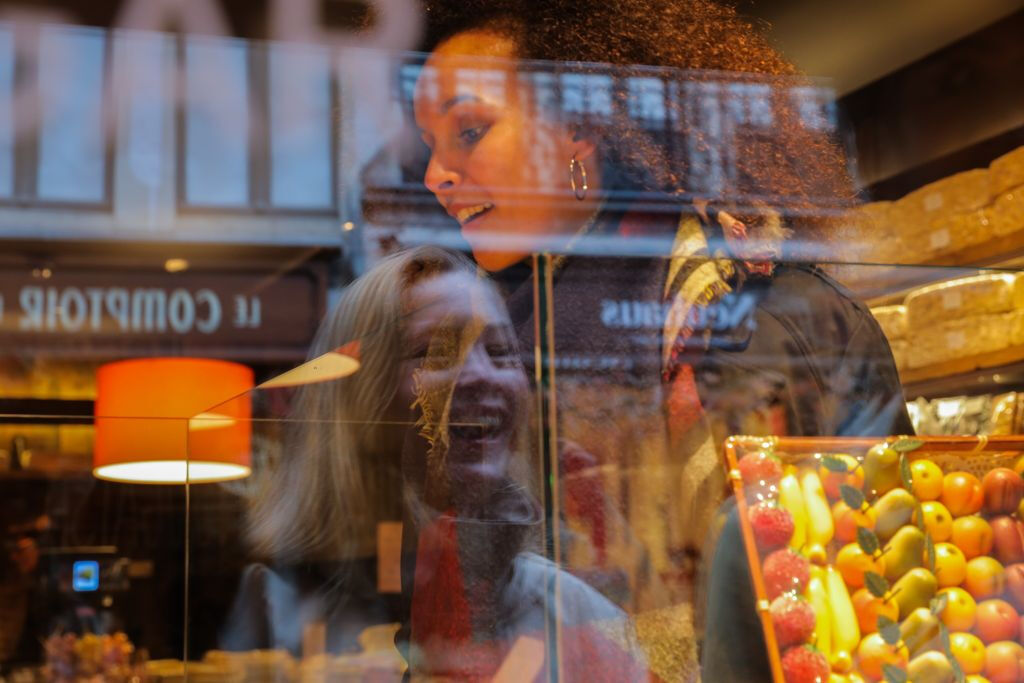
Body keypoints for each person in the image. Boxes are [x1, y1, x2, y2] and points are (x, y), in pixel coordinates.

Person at [408, 0, 914, 680]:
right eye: (431, 146)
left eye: (468, 130)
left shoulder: (763, 316)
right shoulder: (484, 351)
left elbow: (872, 601)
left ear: (580, 128)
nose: (433, 176)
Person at [224, 245, 647, 680]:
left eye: (501, 350)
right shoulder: (276, 609)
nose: (483, 374)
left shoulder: (575, 615)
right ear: (362, 396)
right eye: (436, 352)